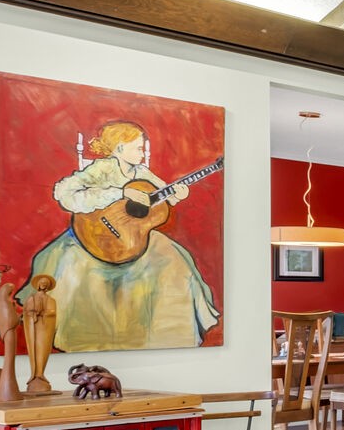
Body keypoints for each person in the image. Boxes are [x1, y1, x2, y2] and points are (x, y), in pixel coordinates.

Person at [30, 120, 220, 350]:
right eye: (138, 147)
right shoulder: (102, 169)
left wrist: (176, 196)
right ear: (120, 148)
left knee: (178, 263)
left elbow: (162, 195)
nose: (142, 152)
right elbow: (64, 192)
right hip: (92, 236)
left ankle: (170, 334)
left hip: (132, 240)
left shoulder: (143, 173)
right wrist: (120, 193)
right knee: (70, 266)